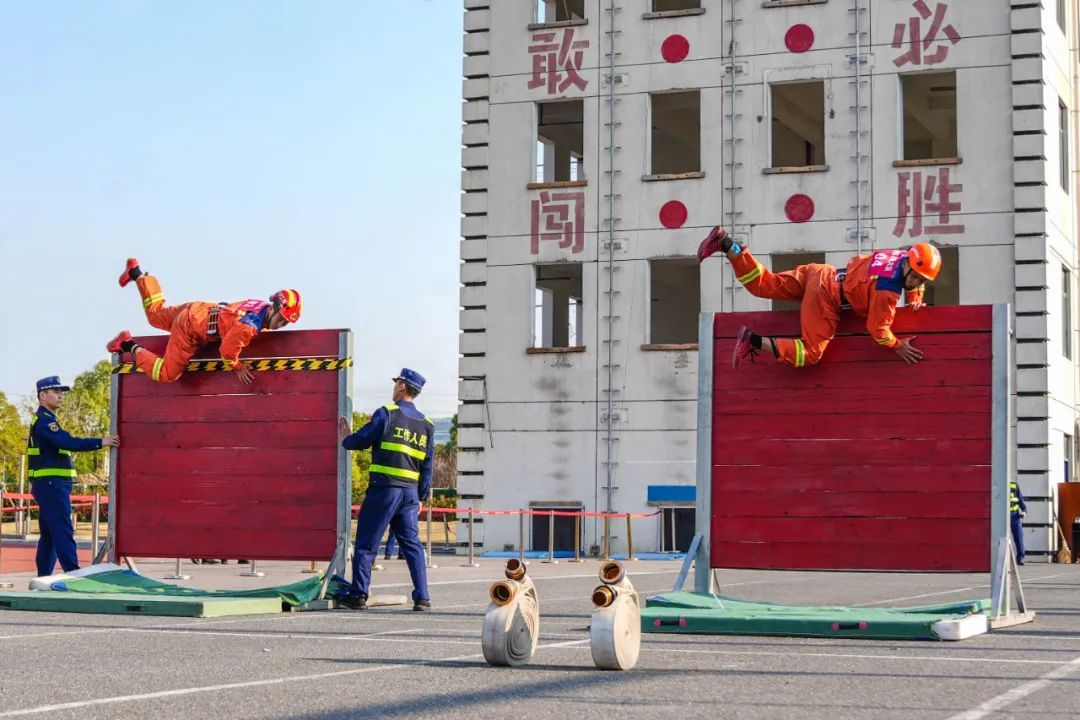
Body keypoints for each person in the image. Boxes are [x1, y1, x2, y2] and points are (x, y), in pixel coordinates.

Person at [697, 226, 942, 369]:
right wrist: (898, 346)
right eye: (918, 278)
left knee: (763, 285)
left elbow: (906, 273)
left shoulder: (899, 256)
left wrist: (914, 292)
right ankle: (752, 340)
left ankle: (727, 243)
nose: (919, 283)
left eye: (924, 281)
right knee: (810, 354)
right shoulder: (887, 290)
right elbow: (877, 330)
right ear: (910, 264)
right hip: (827, 297)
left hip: (822, 272)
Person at [106, 257, 302, 384]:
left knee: (155, 316)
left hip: (198, 310)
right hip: (191, 329)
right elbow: (226, 351)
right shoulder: (248, 328)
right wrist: (238, 367)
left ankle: (137, 274)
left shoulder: (258, 305)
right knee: (167, 373)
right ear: (275, 309)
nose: (281, 325)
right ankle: (127, 344)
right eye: (282, 320)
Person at [337, 369, 434, 611]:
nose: (394, 387)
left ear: (402, 386)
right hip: (410, 493)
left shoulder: (387, 413)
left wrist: (347, 438)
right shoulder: (427, 425)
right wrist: (421, 496)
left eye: (396, 383)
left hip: (385, 490)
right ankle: (422, 597)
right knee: (412, 545)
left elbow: (360, 441)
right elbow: (428, 465)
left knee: (367, 542)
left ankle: (359, 594)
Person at [28, 377, 120, 577]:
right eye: (56, 392)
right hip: (52, 485)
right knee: (62, 530)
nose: (61, 396)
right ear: (43, 396)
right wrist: (100, 442)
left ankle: (44, 577)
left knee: (50, 535)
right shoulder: (45, 422)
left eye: (62, 392)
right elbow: (67, 442)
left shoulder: (46, 419)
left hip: (48, 485)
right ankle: (74, 574)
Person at [1010, 479, 1028, 565]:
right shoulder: (997, 484)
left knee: (1018, 536)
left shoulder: (1014, 485)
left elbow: (1020, 501)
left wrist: (1024, 511)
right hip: (1001, 516)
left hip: (1014, 516)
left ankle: (1020, 558)